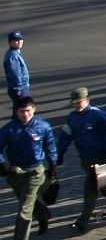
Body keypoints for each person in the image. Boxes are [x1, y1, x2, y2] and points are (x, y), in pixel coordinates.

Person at [57, 87, 106, 232]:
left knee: (90, 189)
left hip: (98, 156)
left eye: (79, 102)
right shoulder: (72, 117)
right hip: (85, 157)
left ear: (87, 100)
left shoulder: (99, 116)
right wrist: (60, 152)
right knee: (101, 181)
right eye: (74, 102)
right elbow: (66, 136)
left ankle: (82, 221)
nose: (76, 105)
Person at [0, 96, 56, 239]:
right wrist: (3, 165)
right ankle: (43, 214)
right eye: (21, 111)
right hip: (16, 174)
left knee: (24, 209)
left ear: (34, 109)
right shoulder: (9, 129)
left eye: (28, 111)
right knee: (26, 201)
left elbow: (50, 147)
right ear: (16, 112)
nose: (25, 114)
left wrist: (53, 165)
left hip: (35, 173)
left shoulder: (43, 126)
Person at [4, 31, 29, 109]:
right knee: (23, 111)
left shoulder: (14, 53)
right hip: (21, 88)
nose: (19, 42)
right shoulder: (13, 56)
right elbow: (15, 75)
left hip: (21, 87)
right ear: (10, 42)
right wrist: (18, 90)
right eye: (15, 40)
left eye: (20, 39)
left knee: (19, 111)